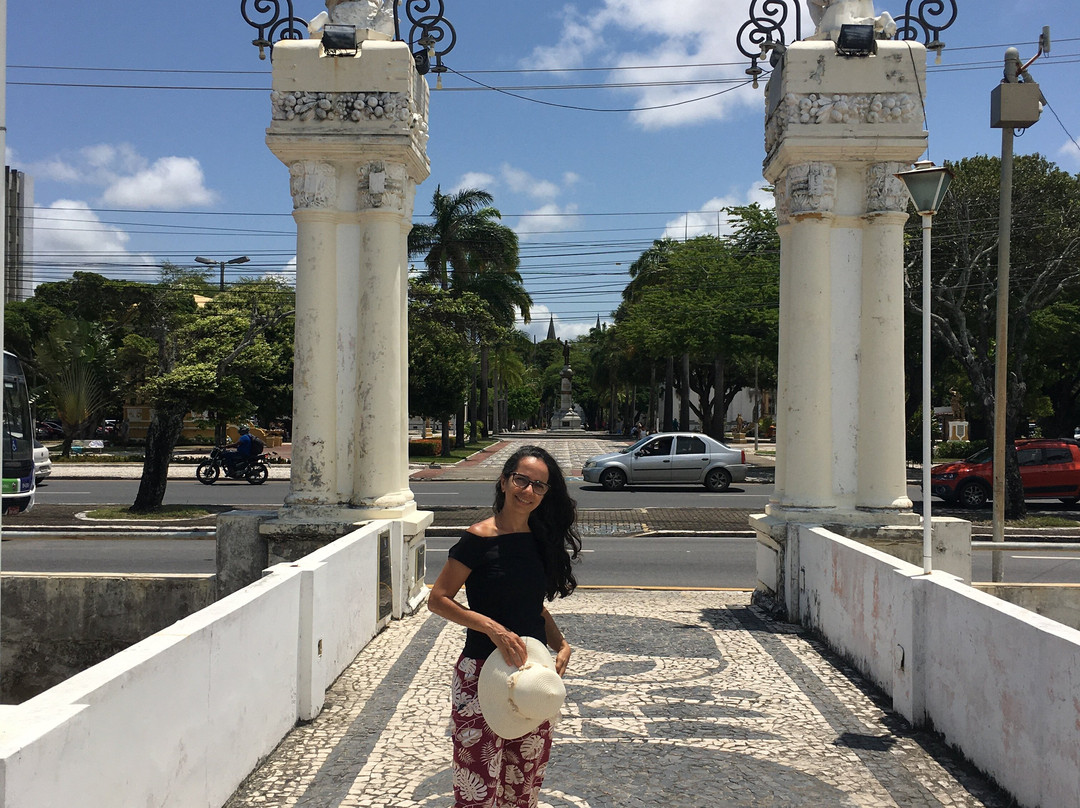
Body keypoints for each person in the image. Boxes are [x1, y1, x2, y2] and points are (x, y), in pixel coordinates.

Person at [429, 445, 582, 808]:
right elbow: (439, 599)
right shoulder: (477, 539)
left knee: (523, 786)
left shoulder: (540, 540)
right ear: (504, 481)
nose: (528, 491)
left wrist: (561, 644)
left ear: (546, 494)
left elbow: (532, 606)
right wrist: (490, 627)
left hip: (532, 677)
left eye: (539, 486)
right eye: (521, 480)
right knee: (476, 789)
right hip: (481, 674)